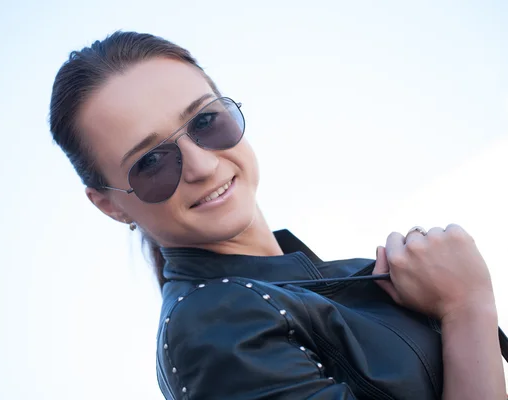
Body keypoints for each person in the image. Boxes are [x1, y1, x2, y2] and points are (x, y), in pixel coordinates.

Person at [48, 31, 506, 399]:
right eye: (150, 162)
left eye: (206, 121)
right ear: (109, 204)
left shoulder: (324, 285)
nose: (203, 167)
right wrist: (467, 309)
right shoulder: (213, 329)